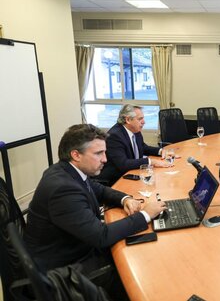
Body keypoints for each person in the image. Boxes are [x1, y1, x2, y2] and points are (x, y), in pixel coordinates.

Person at [24, 124, 168, 300]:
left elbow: (98, 189)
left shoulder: (67, 171)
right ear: (76, 155)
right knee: (140, 271)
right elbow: (101, 236)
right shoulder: (62, 189)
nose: (105, 159)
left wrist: (125, 199)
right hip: (64, 269)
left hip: (73, 246)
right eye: (98, 153)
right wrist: (145, 214)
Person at [97, 104, 171, 186]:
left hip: (132, 173)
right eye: (140, 119)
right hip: (116, 180)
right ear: (128, 120)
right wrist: (151, 161)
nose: (144, 122)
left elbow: (143, 147)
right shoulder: (114, 136)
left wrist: (161, 151)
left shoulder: (135, 130)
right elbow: (124, 164)